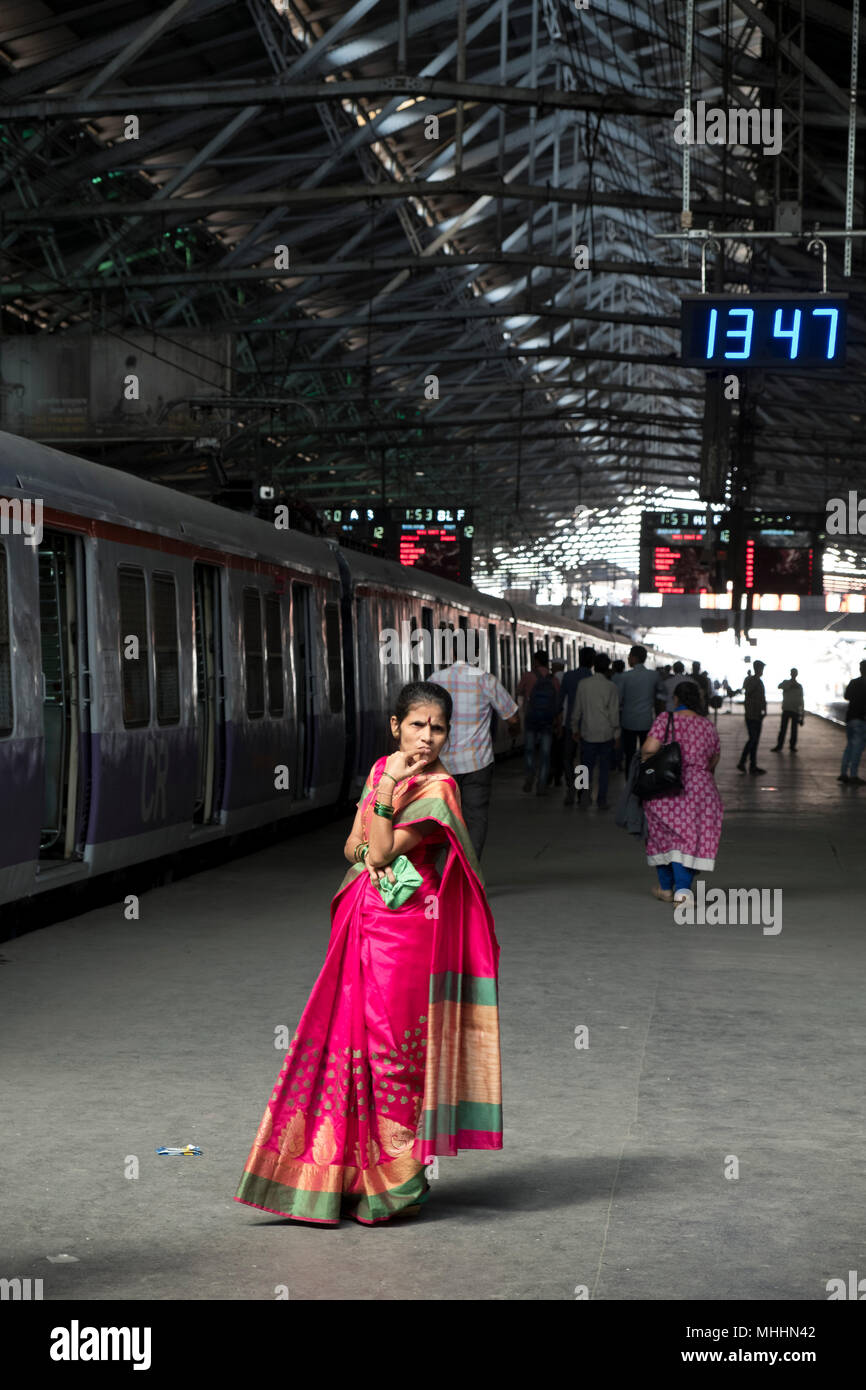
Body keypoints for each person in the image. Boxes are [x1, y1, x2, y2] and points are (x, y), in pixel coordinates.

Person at [234, 681, 502, 1225]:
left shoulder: (439, 789)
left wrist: (383, 805)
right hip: (365, 920)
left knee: (393, 1053)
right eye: (417, 725)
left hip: (410, 931)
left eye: (438, 728)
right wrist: (376, 826)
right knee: (345, 1043)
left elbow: (376, 847)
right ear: (395, 726)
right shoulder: (384, 766)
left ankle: (396, 1182)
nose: (427, 737)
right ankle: (344, 1177)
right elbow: (352, 846)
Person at [429, 650, 520, 857]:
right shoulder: (485, 680)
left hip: (442, 765)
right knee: (475, 818)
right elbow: (512, 718)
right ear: (476, 654)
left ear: (449, 653)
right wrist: (516, 732)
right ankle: (469, 871)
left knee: (443, 818)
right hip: (477, 763)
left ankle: (449, 868)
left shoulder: (434, 680)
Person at [640, 680, 724, 905]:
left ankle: (667, 888)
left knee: (662, 835)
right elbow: (714, 758)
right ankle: (683, 890)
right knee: (689, 838)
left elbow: (649, 749)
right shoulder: (707, 726)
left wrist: (649, 762)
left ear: (675, 699)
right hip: (700, 789)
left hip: (666, 788)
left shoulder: (664, 720)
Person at [572, 650, 621, 810]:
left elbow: (577, 709)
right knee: (604, 770)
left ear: (593, 666)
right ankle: (601, 800)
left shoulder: (583, 684)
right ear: (607, 668)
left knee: (583, 767)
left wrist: (574, 728)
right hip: (606, 734)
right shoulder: (611, 687)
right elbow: (614, 714)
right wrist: (617, 734)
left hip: (587, 732)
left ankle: (583, 796)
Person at [519, 651, 561, 796]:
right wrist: (558, 722)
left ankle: (530, 774)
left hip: (531, 718)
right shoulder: (553, 679)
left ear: (535, 661)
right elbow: (557, 702)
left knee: (530, 750)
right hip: (548, 721)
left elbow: (519, 691)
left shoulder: (528, 676)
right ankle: (542, 784)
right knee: (545, 753)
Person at [558, 647, 595, 805]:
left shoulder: (569, 676)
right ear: (593, 662)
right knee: (584, 760)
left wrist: (557, 721)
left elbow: (560, 701)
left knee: (568, 758)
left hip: (570, 724)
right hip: (588, 725)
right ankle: (582, 790)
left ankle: (570, 785)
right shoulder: (593, 679)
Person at [620, 644, 660, 768]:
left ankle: (630, 782)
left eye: (629, 656)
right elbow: (660, 696)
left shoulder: (624, 676)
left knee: (630, 755)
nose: (628, 659)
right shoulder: (653, 676)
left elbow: (619, 698)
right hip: (646, 721)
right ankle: (644, 780)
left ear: (634, 658)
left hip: (628, 721)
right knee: (646, 755)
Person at [838, 659, 866, 785]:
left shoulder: (854, 682)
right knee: (857, 748)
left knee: (849, 746)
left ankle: (843, 773)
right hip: (861, 719)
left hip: (850, 718)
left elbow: (847, 696)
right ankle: (853, 775)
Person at [737, 661, 767, 775]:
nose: (762, 671)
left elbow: (762, 698)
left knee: (755, 740)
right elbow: (749, 693)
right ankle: (742, 762)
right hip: (752, 715)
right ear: (758, 669)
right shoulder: (753, 681)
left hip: (757, 715)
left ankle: (752, 765)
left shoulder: (758, 681)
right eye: (761, 668)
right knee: (753, 739)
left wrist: (764, 710)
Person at [772, 668, 804, 752]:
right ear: (791, 674)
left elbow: (801, 700)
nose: (793, 674)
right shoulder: (786, 682)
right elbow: (779, 686)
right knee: (783, 729)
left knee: (793, 730)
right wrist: (789, 686)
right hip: (787, 709)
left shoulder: (799, 686)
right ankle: (780, 745)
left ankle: (791, 746)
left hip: (795, 710)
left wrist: (802, 715)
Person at [549, 659, 567, 786]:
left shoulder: (550, 680)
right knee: (564, 752)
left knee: (552, 750)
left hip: (553, 720)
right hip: (567, 721)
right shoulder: (568, 678)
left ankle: (550, 776)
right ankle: (561, 778)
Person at [610, 659, 627, 770]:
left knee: (612, 736)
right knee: (621, 737)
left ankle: (613, 761)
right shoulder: (627, 678)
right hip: (623, 711)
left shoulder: (611, 679)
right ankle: (619, 760)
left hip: (612, 710)